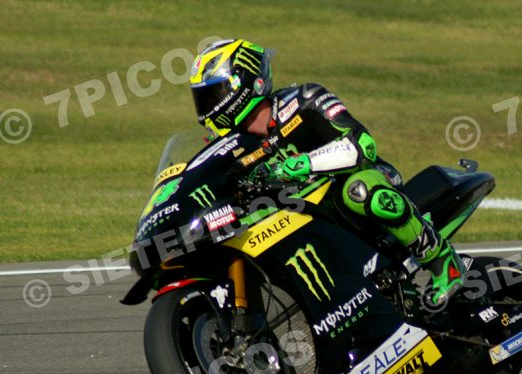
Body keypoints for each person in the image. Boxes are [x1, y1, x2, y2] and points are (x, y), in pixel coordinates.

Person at [189, 38, 465, 306]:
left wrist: (300, 164)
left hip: (362, 183)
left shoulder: (304, 100)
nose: (207, 109)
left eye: (213, 94)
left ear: (246, 82)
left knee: (358, 190)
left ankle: (443, 261)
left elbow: (362, 146)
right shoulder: (232, 149)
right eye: (202, 99)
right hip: (302, 217)